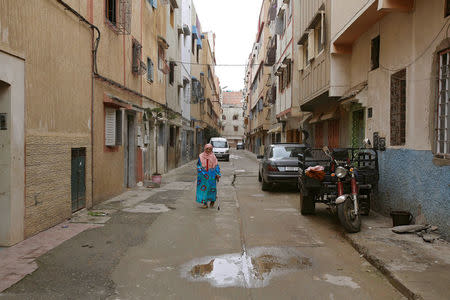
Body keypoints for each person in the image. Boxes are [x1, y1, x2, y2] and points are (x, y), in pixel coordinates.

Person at [196, 144, 221, 209]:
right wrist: (201, 171)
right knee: (204, 189)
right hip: (203, 175)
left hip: (212, 175)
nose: (208, 150)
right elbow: (198, 165)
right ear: (205, 149)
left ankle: (212, 201)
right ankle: (205, 203)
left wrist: (218, 174)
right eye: (207, 149)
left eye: (210, 149)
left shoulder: (213, 157)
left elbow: (216, 166)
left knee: (212, 189)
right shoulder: (201, 156)